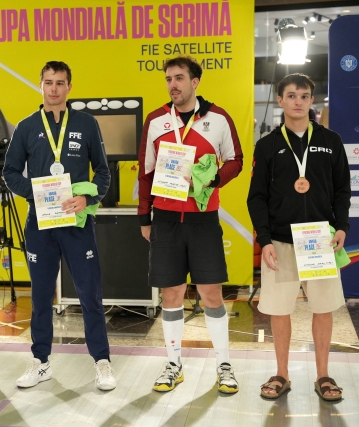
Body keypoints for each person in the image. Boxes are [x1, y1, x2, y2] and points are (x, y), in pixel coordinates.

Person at [3, 61, 116, 391]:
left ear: (69, 87)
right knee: (40, 296)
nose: (54, 88)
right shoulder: (26, 127)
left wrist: (87, 199)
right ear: (40, 84)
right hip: (40, 223)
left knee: (90, 294)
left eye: (60, 82)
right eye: (49, 82)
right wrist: (35, 194)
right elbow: (10, 173)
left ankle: (102, 361)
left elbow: (103, 172)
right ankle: (40, 362)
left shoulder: (87, 124)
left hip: (77, 223)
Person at [138, 56, 243, 393]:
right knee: (171, 293)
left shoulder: (218, 118)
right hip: (166, 219)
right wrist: (144, 216)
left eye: (179, 78)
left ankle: (224, 365)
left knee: (211, 293)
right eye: (169, 79)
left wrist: (213, 179)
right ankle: (173, 364)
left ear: (195, 82)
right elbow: (146, 172)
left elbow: (236, 160)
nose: (173, 85)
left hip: (202, 219)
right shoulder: (156, 120)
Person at [247, 73, 351, 401]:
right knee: (280, 310)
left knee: (323, 308)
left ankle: (323, 375)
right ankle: (282, 373)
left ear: (311, 101)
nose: (298, 101)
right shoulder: (267, 145)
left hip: (319, 239)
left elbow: (342, 189)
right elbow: (256, 197)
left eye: (304, 96)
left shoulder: (330, 141)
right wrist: (265, 240)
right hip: (280, 240)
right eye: (291, 95)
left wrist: (342, 226)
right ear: (280, 100)